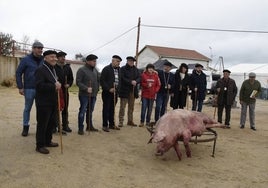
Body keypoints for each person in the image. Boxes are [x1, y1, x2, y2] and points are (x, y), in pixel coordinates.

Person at [16, 41, 44, 137]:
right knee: (27, 108)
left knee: (40, 109)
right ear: (33, 49)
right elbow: (18, 73)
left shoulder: (44, 60)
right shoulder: (26, 60)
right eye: (38, 48)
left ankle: (40, 128)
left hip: (41, 89)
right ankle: (25, 127)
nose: (40, 50)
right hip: (29, 88)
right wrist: (20, 86)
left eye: (41, 48)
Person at [35, 50, 60, 154]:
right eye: (51, 57)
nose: (54, 59)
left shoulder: (53, 69)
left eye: (55, 57)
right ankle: (40, 145)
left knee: (51, 123)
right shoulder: (41, 70)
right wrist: (54, 86)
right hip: (43, 102)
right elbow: (39, 86)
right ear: (45, 58)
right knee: (42, 124)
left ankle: (48, 141)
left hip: (53, 101)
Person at [76, 54, 100, 135]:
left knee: (90, 111)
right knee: (82, 111)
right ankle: (80, 128)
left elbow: (98, 80)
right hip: (84, 95)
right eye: (93, 61)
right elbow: (78, 82)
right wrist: (86, 88)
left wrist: (97, 89)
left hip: (93, 95)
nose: (95, 63)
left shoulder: (95, 70)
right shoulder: (81, 70)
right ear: (88, 61)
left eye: (95, 61)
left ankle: (89, 126)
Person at [100, 55, 122, 132]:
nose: (119, 63)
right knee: (106, 108)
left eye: (119, 62)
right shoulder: (106, 69)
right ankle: (105, 125)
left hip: (115, 93)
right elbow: (102, 81)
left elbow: (120, 81)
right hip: (107, 92)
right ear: (113, 61)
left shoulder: (119, 70)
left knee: (112, 109)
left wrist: (117, 89)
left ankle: (112, 124)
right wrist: (109, 89)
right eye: (118, 61)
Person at [54, 51, 74, 133]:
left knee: (65, 108)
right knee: (56, 109)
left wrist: (69, 84)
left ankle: (65, 125)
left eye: (64, 56)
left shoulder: (67, 67)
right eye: (61, 56)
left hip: (65, 91)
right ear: (57, 58)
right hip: (56, 91)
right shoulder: (54, 67)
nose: (63, 58)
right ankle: (56, 126)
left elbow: (71, 78)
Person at [118, 56, 140, 127]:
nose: (131, 62)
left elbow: (139, 77)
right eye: (130, 61)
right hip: (124, 90)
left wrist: (136, 81)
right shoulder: (122, 69)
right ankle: (121, 121)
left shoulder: (136, 69)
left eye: (132, 61)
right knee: (122, 107)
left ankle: (130, 121)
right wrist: (130, 81)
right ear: (127, 61)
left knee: (131, 107)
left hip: (133, 91)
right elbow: (122, 78)